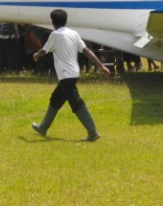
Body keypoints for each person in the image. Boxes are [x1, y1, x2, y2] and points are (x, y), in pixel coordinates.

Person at [30, 9, 111, 142]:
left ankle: (93, 132)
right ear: (66, 21)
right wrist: (101, 66)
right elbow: (86, 50)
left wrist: (35, 55)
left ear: (53, 22)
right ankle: (43, 127)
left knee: (75, 101)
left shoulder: (55, 34)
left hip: (65, 74)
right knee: (56, 99)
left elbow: (44, 51)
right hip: (73, 73)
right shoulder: (74, 33)